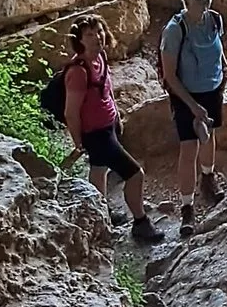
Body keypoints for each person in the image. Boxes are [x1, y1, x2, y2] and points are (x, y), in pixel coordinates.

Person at [63, 16, 165, 243]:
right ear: (79, 40)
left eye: (99, 31)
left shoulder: (100, 57)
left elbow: (106, 91)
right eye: (89, 34)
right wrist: (78, 141)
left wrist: (116, 114)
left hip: (108, 126)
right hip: (95, 134)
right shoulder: (78, 72)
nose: (97, 37)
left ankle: (100, 214)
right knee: (135, 173)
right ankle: (140, 222)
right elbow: (71, 111)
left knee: (99, 171)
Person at [160, 0, 227, 237]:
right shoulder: (175, 29)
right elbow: (169, 74)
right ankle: (187, 207)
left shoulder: (213, 19)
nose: (204, 0)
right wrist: (191, 105)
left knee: (209, 135)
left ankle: (208, 178)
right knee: (188, 147)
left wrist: (224, 66)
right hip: (185, 93)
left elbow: (217, 44)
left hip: (212, 88)